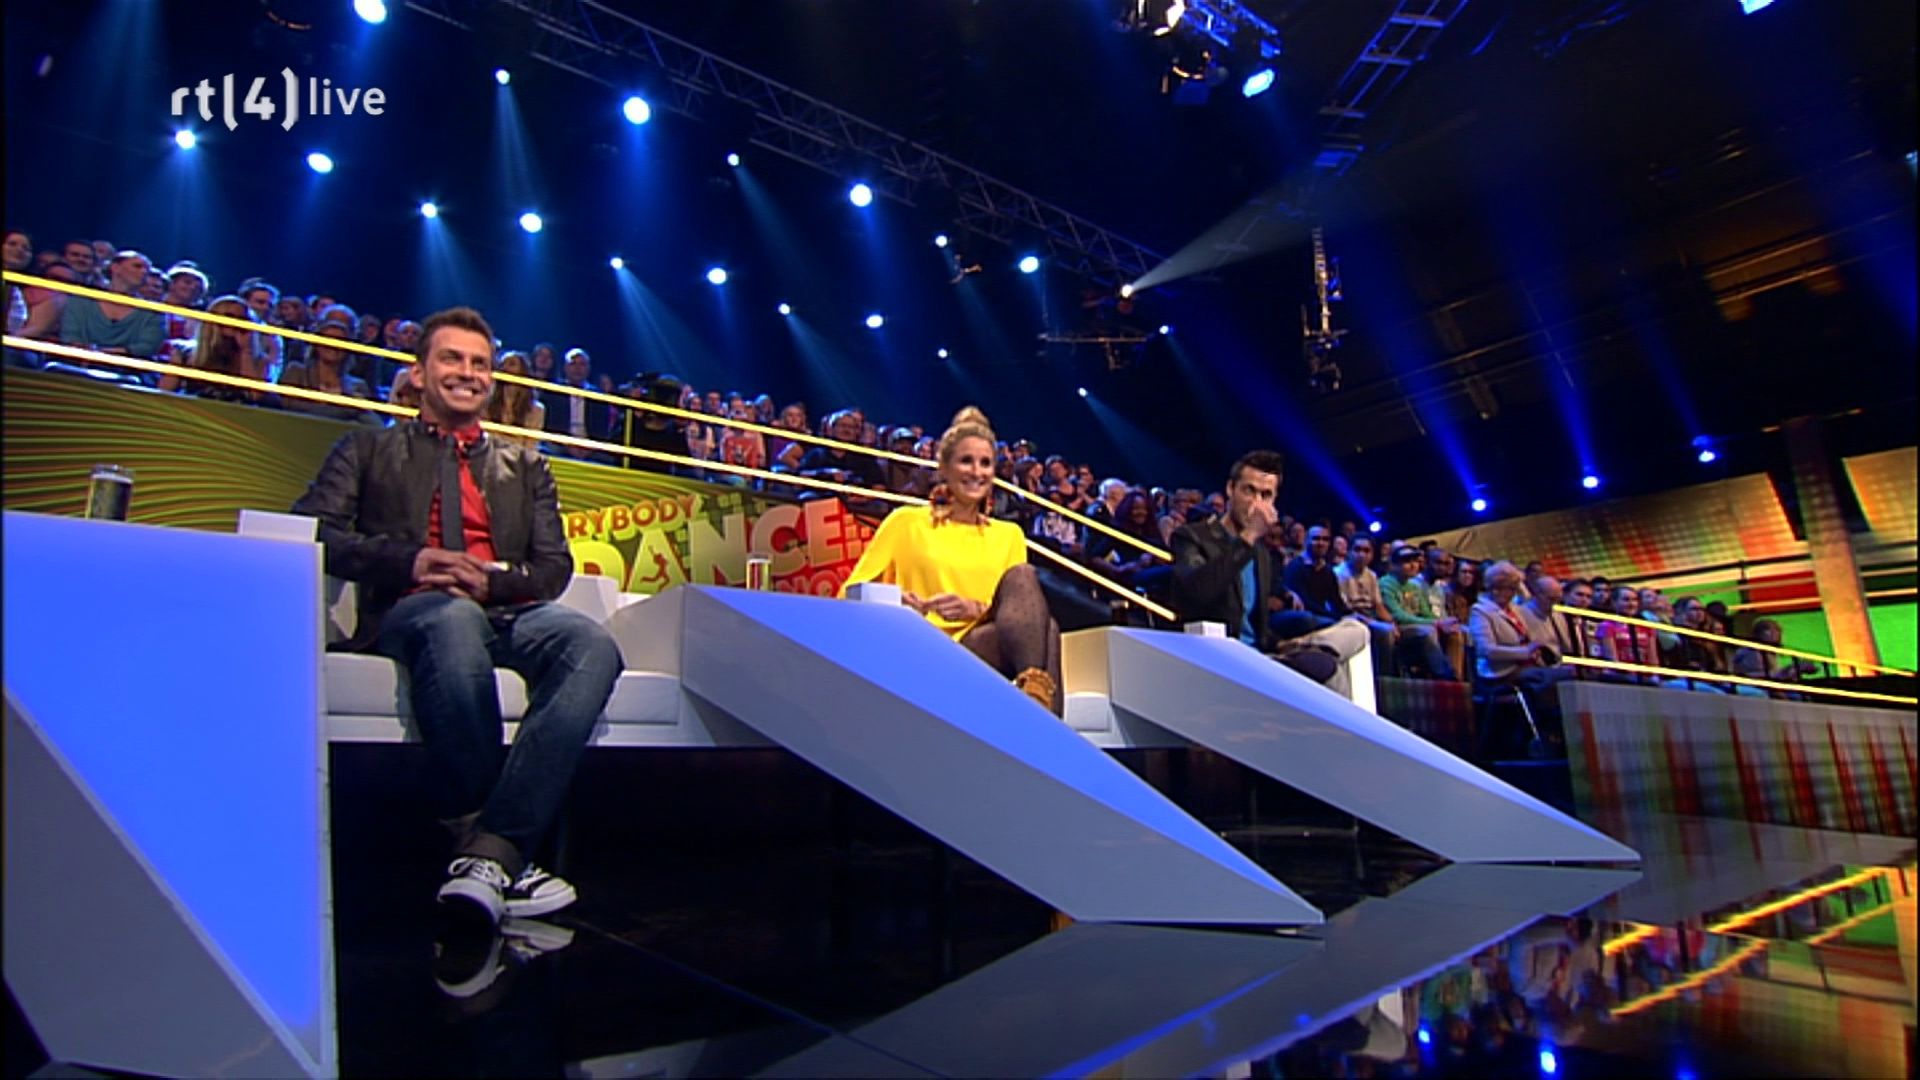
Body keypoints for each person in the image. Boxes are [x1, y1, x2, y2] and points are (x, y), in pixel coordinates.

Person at [290, 306, 622, 931]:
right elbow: (315, 530)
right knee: (451, 620)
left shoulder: (527, 466)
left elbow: (554, 566)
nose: (468, 373)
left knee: (590, 645)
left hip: (505, 611)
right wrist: (412, 560)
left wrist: (492, 580)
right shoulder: (367, 448)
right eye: (452, 359)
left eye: (479, 363)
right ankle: (496, 847)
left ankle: (488, 854)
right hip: (412, 609)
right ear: (418, 373)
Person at [841, 407, 1062, 714]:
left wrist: (974, 608)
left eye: (985, 463)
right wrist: (897, 599)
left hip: (982, 646)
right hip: (923, 647)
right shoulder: (906, 521)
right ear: (944, 468)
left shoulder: (1008, 534)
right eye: (966, 461)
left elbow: (1019, 612)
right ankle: (1047, 725)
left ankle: (1037, 703)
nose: (977, 472)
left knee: (1031, 593)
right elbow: (849, 593)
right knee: (1048, 629)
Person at [1169, 450, 1369, 693]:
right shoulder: (1192, 536)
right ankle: (1309, 658)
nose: (1256, 504)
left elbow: (1256, 627)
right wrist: (1248, 536)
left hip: (1263, 655)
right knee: (1330, 673)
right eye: (1249, 491)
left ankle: (1306, 650)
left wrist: (1282, 644)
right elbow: (1198, 593)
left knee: (1357, 631)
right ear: (1231, 489)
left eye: (1266, 495)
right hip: (1223, 657)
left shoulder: (1261, 554)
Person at [1469, 562, 1574, 694]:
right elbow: (1486, 650)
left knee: (1569, 674)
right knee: (1559, 678)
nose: (1513, 594)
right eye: (1511, 589)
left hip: (1527, 667)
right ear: (1495, 588)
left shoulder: (1515, 610)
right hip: (1501, 673)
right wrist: (1523, 652)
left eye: (1514, 589)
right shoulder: (1480, 611)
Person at [158, 294, 270, 403]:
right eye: (229, 316)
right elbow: (164, 391)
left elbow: (255, 396)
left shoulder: (259, 360)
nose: (236, 322)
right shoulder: (185, 353)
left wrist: (246, 351)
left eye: (242, 319)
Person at [58, 250, 165, 360]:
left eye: (147, 269)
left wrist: (105, 354)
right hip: (77, 362)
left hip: (126, 367)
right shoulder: (82, 300)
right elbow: (70, 335)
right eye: (137, 266)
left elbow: (147, 347)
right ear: (115, 267)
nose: (144, 272)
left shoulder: (153, 312)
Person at [277, 316, 379, 423]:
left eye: (340, 341)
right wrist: (342, 408)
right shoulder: (296, 372)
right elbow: (288, 404)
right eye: (328, 339)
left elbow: (368, 420)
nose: (333, 345)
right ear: (317, 344)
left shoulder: (358, 386)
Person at [1381, 544, 1460, 680]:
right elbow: (1397, 615)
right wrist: (1435, 623)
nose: (1413, 565)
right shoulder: (1386, 583)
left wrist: (1442, 622)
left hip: (1417, 625)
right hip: (1399, 628)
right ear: (1394, 565)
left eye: (1415, 561)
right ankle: (1443, 675)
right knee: (1428, 631)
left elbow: (1425, 612)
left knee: (1455, 631)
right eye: (1407, 562)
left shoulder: (1413, 586)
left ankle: (1457, 676)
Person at [483, 350, 547, 449]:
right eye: (502, 364)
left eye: (511, 364)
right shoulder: (486, 403)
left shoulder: (536, 410)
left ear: (523, 372)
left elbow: (530, 446)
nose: (505, 368)